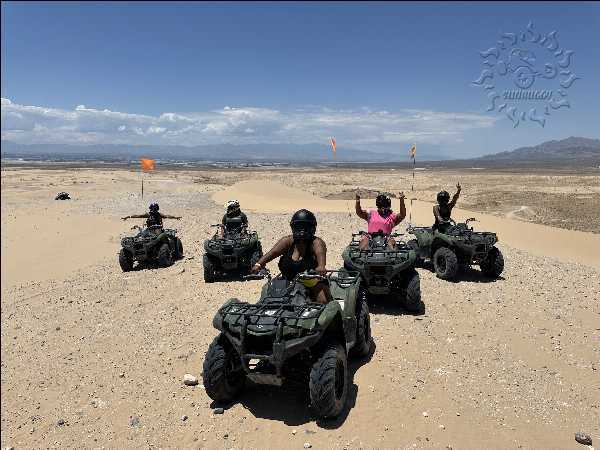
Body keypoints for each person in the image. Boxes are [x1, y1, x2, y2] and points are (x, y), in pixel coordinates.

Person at [249, 209, 331, 304]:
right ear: (293, 227)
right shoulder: (287, 241)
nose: (302, 230)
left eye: (305, 227)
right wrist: (258, 264)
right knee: (266, 291)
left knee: (323, 299)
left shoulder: (316, 243)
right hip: (287, 280)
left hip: (310, 281)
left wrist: (321, 267)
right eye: (299, 227)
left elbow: (320, 253)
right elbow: (272, 253)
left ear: (312, 228)